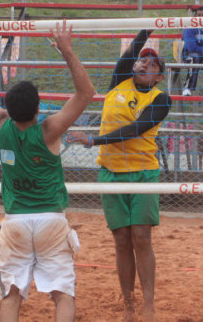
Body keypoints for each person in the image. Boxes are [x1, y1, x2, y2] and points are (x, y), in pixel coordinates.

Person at [0, 20, 95, 322]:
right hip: (51, 219)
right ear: (38, 108)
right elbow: (86, 93)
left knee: (11, 295)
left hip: (15, 221)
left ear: (9, 108)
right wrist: (67, 50)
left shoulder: (1, 125)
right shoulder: (49, 130)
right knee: (62, 295)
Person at [67, 29, 172, 322]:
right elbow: (130, 53)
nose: (144, 66)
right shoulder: (119, 81)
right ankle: (128, 305)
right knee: (122, 240)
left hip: (142, 173)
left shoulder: (161, 98)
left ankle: (148, 304)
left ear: (159, 77)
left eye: (152, 65)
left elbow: (135, 130)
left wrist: (93, 140)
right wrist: (146, 27)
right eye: (142, 62)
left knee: (141, 236)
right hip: (111, 172)